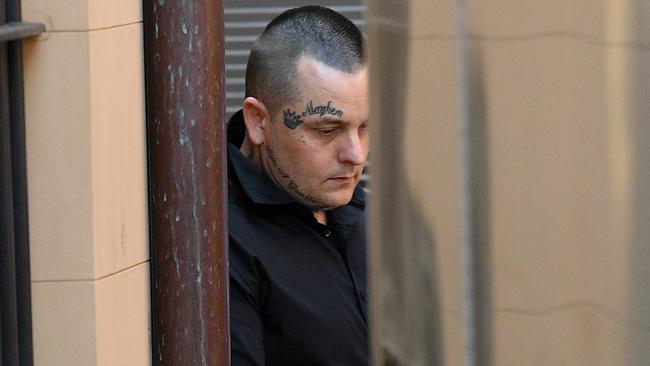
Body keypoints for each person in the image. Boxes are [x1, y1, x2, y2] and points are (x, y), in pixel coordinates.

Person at [227, 6, 369, 366]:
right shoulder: (218, 242)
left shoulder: (361, 211)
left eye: (364, 127)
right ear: (257, 121)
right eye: (326, 130)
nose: (355, 155)